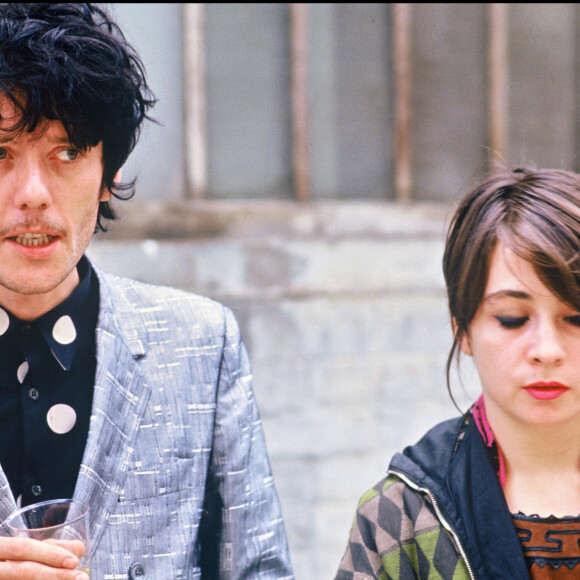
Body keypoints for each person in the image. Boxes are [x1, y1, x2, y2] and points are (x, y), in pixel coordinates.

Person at [0, 3, 294, 579]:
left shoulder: (202, 344)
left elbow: (260, 570)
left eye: (67, 152)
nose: (32, 194)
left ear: (108, 173)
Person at [334, 166, 580, 579]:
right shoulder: (400, 518)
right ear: (461, 328)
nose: (547, 351)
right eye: (512, 318)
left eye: (576, 317)